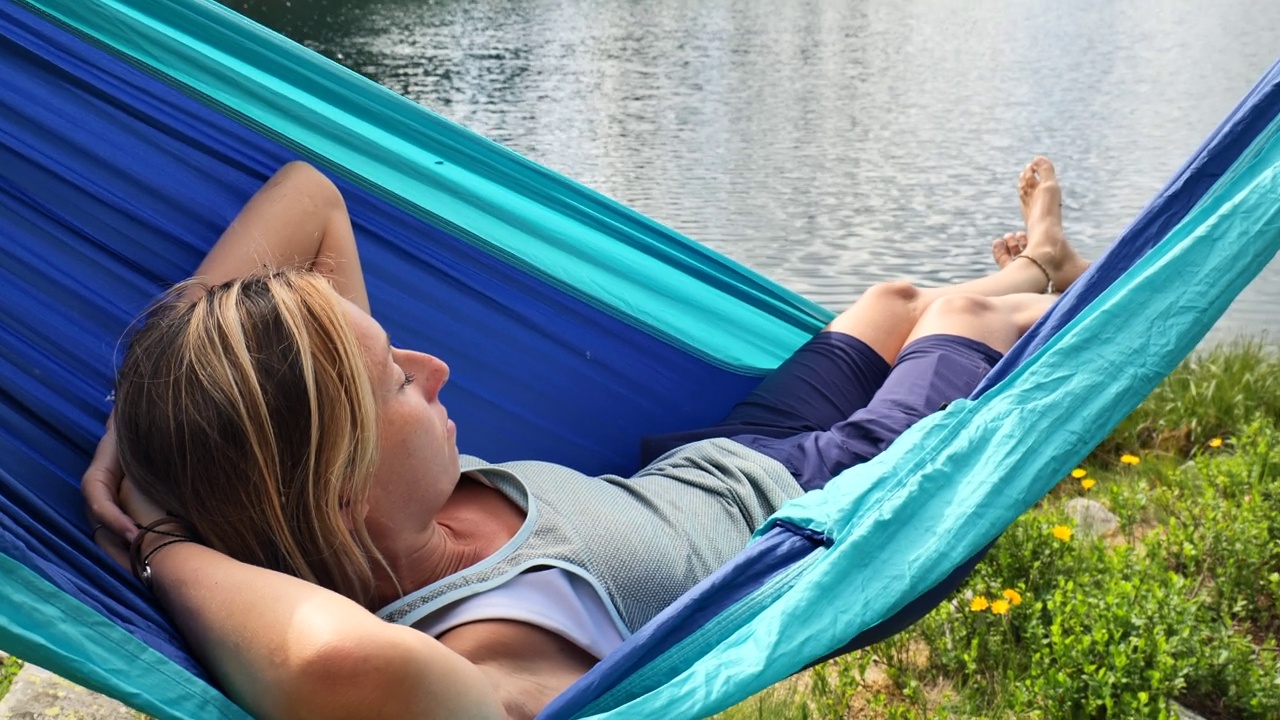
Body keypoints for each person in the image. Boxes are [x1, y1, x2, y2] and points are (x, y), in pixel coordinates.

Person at [83, 157, 1088, 720]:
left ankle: (1040, 261)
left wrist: (141, 415)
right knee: (972, 317)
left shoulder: (381, 487)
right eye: (397, 379)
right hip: (829, 517)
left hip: (721, 457)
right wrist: (163, 543)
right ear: (340, 491)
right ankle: (1049, 272)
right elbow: (334, 668)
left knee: (892, 300)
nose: (433, 369)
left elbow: (311, 197)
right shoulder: (493, 645)